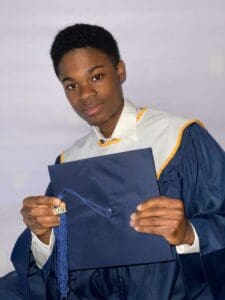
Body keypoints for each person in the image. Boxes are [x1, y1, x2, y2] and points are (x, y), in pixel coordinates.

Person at [0, 23, 225, 300]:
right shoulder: (71, 161)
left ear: (120, 71)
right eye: (71, 85)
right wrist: (43, 235)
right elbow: (57, 268)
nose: (84, 94)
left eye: (96, 77)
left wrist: (189, 233)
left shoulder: (180, 138)